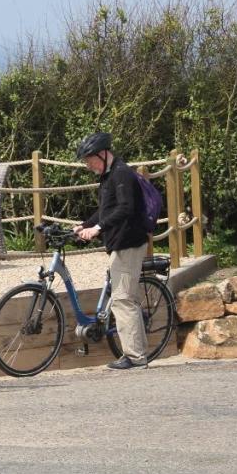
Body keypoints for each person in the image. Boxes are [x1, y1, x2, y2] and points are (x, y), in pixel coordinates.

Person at [73, 132, 150, 369]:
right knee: (124, 298)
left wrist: (98, 228)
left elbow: (126, 208)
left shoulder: (122, 174)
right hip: (118, 243)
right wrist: (85, 225)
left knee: (122, 300)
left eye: (90, 160)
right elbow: (106, 210)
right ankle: (137, 352)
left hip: (129, 243)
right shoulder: (108, 177)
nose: (88, 165)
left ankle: (136, 357)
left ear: (103, 154)